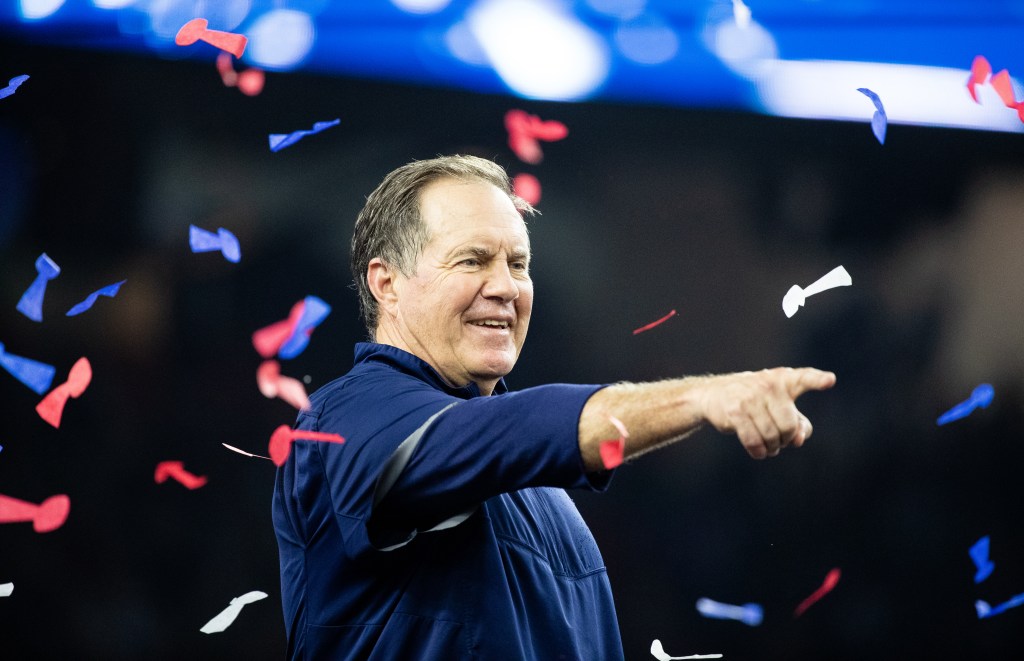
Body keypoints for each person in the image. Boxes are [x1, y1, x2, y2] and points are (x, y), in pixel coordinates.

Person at [272, 154, 836, 659]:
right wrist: (699, 397)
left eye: (518, 264)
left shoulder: (543, 493)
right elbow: (499, 437)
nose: (506, 287)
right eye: (472, 260)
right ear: (386, 283)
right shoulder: (345, 420)